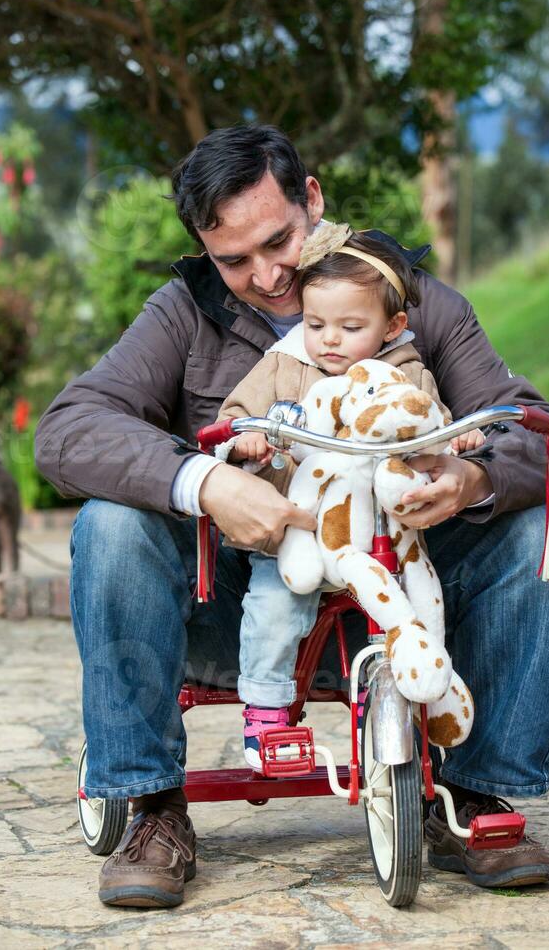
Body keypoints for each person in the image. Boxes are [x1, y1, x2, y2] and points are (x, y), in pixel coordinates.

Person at [35, 125, 549, 908]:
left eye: (279, 241)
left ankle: (473, 795)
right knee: (111, 526)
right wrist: (204, 482)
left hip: (397, 600)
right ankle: (152, 806)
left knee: (542, 533)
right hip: (245, 606)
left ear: (313, 198)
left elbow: (545, 429)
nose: (265, 276)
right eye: (233, 260)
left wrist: (469, 477)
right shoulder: (184, 314)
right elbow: (66, 429)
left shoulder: (411, 300)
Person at [214, 223, 485, 769]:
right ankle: (266, 711)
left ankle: (428, 695)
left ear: (393, 326)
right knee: (275, 606)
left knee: (425, 604)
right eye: (316, 324)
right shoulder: (285, 363)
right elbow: (233, 414)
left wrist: (461, 438)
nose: (329, 339)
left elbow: (429, 424)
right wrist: (246, 436)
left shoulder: (406, 373)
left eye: (350, 326)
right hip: (303, 531)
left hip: (384, 533)